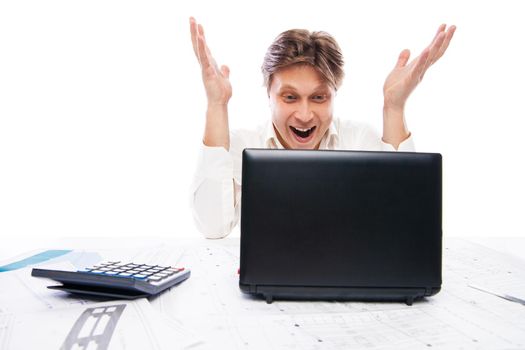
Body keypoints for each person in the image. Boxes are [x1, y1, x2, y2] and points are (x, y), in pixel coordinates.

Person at [189, 17, 455, 239]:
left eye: (319, 98)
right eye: (290, 97)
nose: (304, 115)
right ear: (268, 93)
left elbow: (406, 224)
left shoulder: (358, 139)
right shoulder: (241, 144)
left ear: (334, 94)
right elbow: (213, 228)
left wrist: (394, 108)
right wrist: (217, 105)